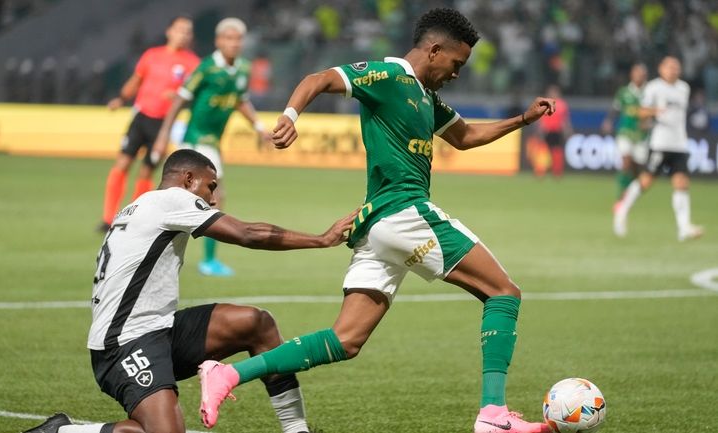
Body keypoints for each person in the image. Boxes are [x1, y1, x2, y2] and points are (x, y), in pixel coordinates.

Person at [198, 9, 555, 433]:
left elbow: (465, 138)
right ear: (434, 50)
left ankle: (228, 374)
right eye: (456, 64)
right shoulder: (388, 75)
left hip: (377, 229)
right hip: (404, 212)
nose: (457, 74)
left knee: (345, 340)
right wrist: (290, 117)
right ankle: (493, 415)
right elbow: (319, 79)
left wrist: (522, 120)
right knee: (504, 293)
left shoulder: (427, 97)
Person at [22, 149, 356, 433]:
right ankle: (64, 430)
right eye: (210, 187)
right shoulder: (172, 201)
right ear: (187, 180)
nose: (213, 197)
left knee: (257, 323)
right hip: (122, 345)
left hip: (159, 329)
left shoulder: (143, 205)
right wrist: (321, 239)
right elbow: (247, 234)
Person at [153, 17, 269, 277]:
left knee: (186, 200)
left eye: (238, 39)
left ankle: (185, 253)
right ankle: (207, 260)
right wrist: (163, 135)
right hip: (197, 141)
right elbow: (179, 101)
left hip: (213, 143)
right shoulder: (206, 68)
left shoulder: (242, 70)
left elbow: (241, 101)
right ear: (218, 41)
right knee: (213, 198)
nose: (233, 43)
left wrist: (260, 127)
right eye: (228, 38)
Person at [97, 16, 200, 232]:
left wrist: (182, 98)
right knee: (122, 163)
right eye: (180, 29)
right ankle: (108, 217)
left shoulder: (193, 63)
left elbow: (194, 96)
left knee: (146, 172)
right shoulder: (152, 55)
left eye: (188, 31)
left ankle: (132, 217)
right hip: (141, 117)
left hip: (163, 126)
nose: (184, 34)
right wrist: (121, 98)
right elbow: (136, 81)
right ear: (169, 31)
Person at [613, 56, 704, 241]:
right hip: (660, 143)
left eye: (677, 67)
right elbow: (640, 111)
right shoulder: (653, 87)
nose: (674, 70)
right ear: (661, 69)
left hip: (679, 143)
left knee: (681, 184)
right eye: (670, 67)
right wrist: (655, 111)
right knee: (646, 181)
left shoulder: (683, 88)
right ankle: (622, 209)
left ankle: (683, 227)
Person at [602, 63, 649, 199]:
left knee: (638, 168)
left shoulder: (649, 92)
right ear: (632, 75)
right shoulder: (624, 92)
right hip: (625, 131)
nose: (639, 76)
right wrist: (608, 121)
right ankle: (621, 194)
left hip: (641, 135)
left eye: (641, 74)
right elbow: (615, 108)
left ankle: (631, 190)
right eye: (636, 73)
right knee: (626, 160)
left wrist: (649, 122)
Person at [536, 84, 571, 178]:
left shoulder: (562, 104)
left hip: (556, 131)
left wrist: (567, 131)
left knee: (557, 152)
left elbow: (564, 120)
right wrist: (540, 130)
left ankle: (557, 172)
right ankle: (541, 172)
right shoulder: (545, 103)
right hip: (547, 131)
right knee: (544, 152)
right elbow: (541, 119)